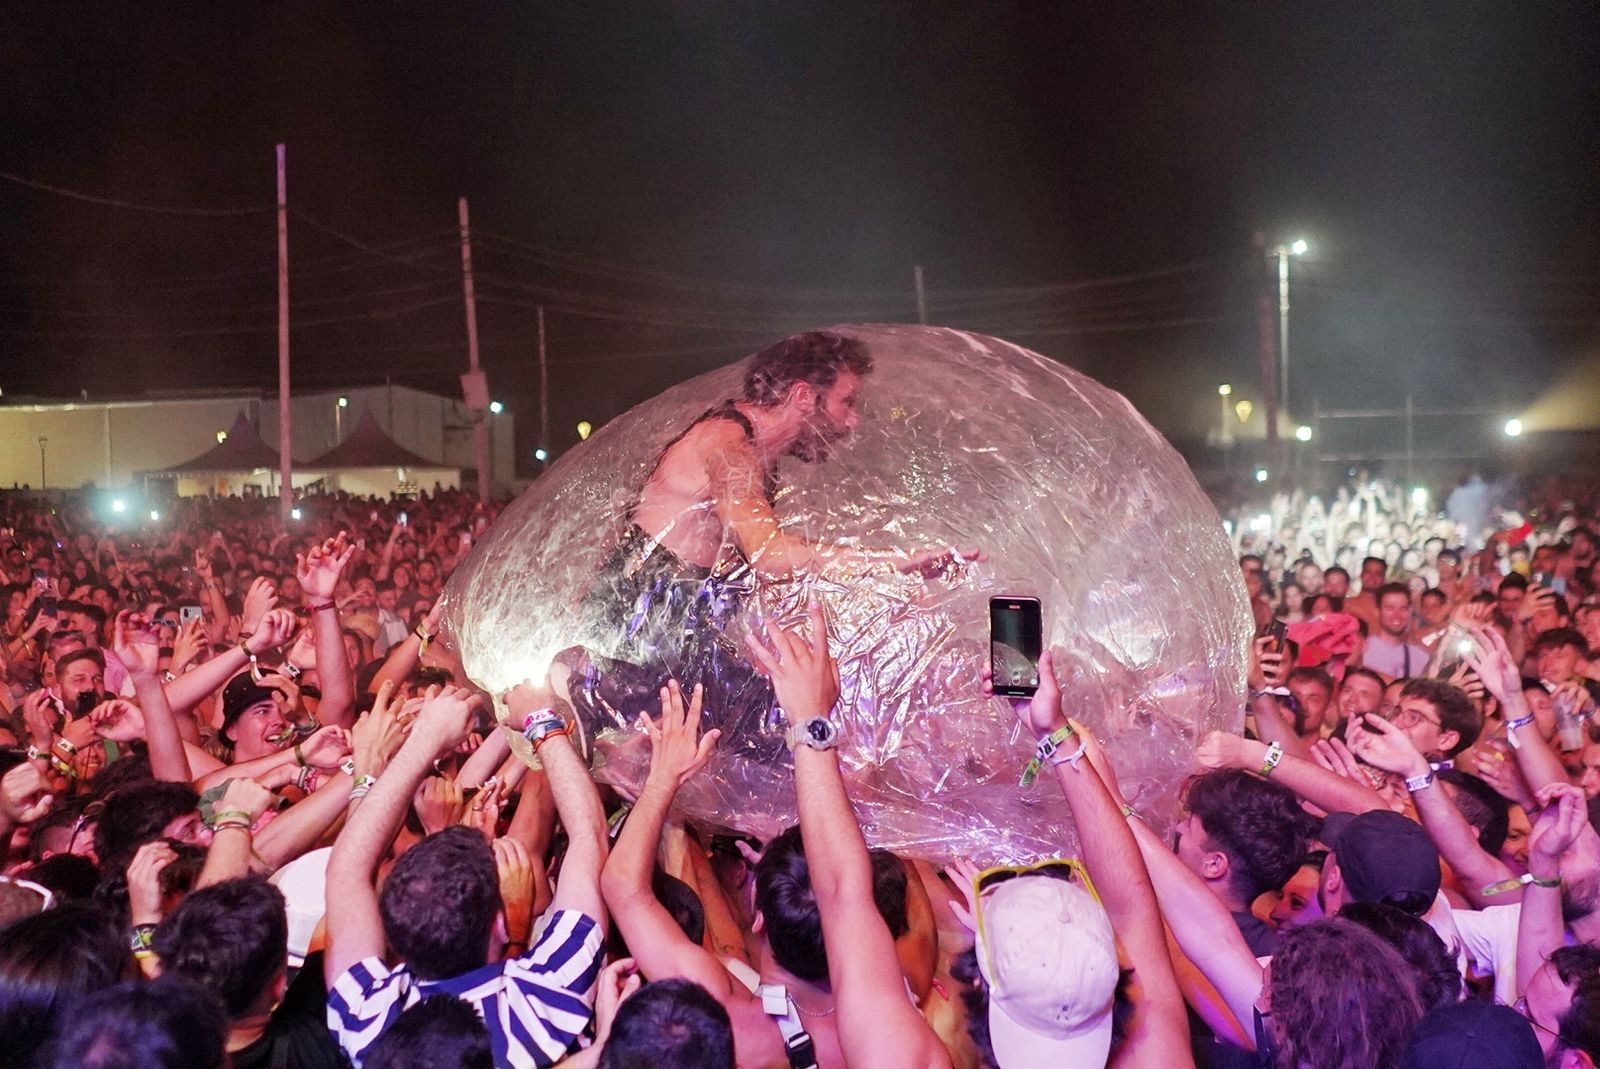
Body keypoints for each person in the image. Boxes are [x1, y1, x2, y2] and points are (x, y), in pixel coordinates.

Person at [555, 331, 975, 759]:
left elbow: (756, 572)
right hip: (635, 635)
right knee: (793, 749)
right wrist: (892, 563)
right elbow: (769, 554)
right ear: (803, 396)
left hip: (674, 635)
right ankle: (583, 695)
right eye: (847, 402)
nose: (854, 422)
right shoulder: (729, 445)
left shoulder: (757, 455)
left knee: (788, 744)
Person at [323, 685, 608, 1067]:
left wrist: (423, 741)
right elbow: (589, 838)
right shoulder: (547, 998)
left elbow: (347, 867)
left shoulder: (366, 1022)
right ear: (501, 925)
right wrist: (541, 720)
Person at [151, 875, 345, 1069]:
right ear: (278, 987)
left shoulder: (148, 1047)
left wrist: (144, 924)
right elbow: (336, 929)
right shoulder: (311, 1039)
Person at [1364, 583, 1433, 680]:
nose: (1397, 615)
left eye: (1403, 609)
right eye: (1390, 608)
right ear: (1377, 612)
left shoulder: (1420, 656)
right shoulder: (1362, 650)